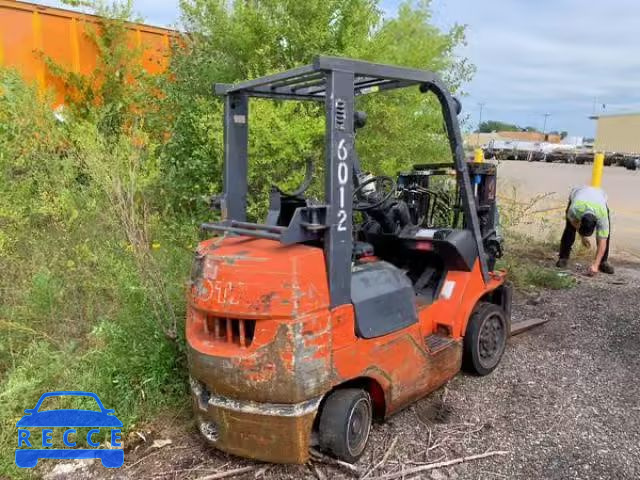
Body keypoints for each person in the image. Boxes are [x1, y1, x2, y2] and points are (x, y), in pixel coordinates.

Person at [556, 185, 614, 275]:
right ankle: (563, 257)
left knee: (605, 234)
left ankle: (602, 262)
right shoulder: (574, 209)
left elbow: (602, 242)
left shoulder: (602, 216)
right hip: (578, 194)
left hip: (599, 198)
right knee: (569, 229)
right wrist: (582, 237)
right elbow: (574, 223)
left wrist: (595, 265)